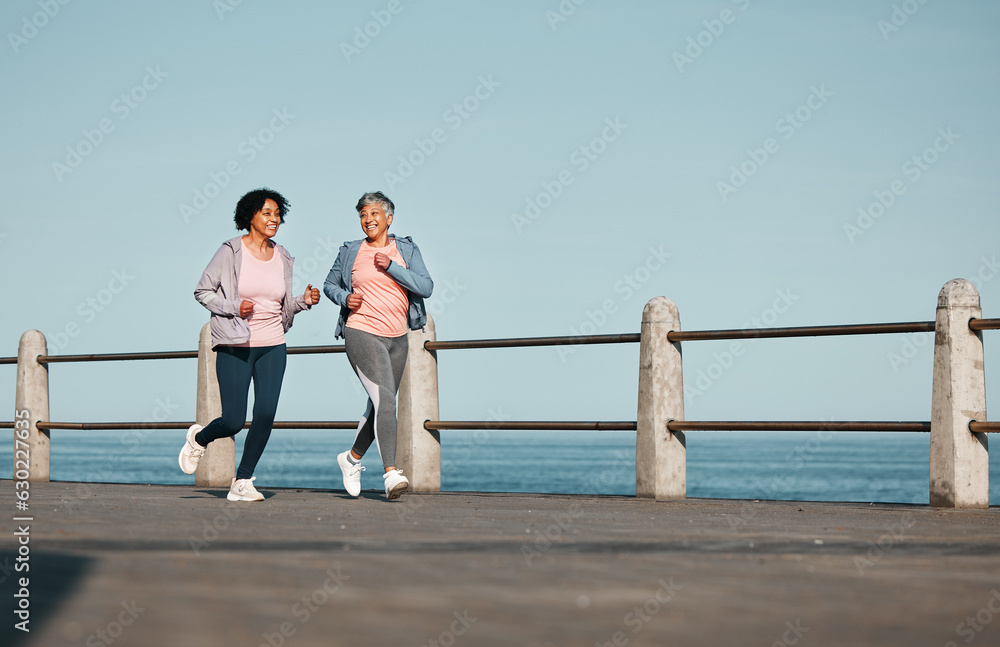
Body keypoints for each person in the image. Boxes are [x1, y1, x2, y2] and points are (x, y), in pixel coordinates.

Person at [179, 188, 320, 502]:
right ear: (250, 217)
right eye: (267, 213)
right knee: (232, 421)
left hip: (273, 343)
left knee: (266, 413)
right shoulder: (230, 251)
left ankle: (242, 481)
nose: (274, 219)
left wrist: (303, 301)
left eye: (277, 214)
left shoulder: (282, 255)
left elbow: (279, 305)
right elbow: (203, 291)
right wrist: (232, 306)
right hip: (235, 343)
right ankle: (199, 438)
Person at [324, 191, 433, 499]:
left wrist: (392, 267)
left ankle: (351, 459)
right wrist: (345, 298)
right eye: (362, 215)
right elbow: (330, 284)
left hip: (399, 337)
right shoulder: (350, 251)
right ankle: (390, 473)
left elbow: (426, 287)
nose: (367, 219)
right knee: (387, 399)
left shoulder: (406, 250)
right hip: (361, 331)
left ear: (389, 218)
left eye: (373, 214)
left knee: (379, 406)